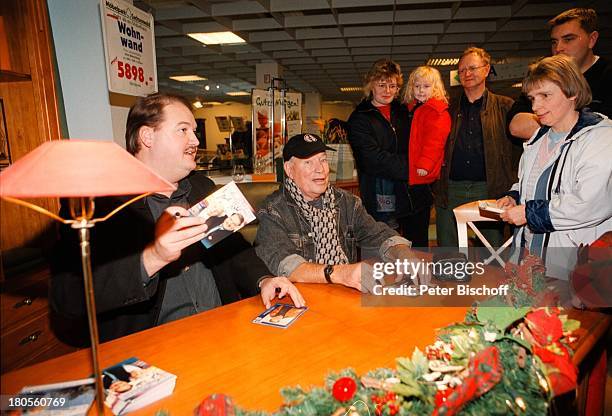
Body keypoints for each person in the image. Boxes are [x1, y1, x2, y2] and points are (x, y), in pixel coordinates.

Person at [51, 93, 304, 344]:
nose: (195, 140)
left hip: (224, 333)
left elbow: (234, 249)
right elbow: (68, 297)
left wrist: (264, 279)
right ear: (147, 136)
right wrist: (152, 258)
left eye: (194, 131)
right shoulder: (98, 203)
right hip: (149, 351)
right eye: (183, 130)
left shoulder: (201, 188)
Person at [255, 133, 427, 292]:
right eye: (308, 162)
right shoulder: (273, 209)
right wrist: (341, 274)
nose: (320, 169)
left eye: (323, 160)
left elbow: (378, 234)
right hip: (301, 297)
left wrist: (403, 255)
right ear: (289, 170)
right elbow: (285, 265)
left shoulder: (346, 201)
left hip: (345, 292)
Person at [498, 55, 612, 279]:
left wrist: (530, 213)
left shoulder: (600, 137)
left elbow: (589, 203)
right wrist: (515, 195)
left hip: (576, 265)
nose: (535, 106)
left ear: (572, 92)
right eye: (532, 98)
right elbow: (533, 183)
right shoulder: (538, 139)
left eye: (545, 96)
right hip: (532, 258)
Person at [433, 46, 519, 248]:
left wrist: (512, 184)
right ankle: (451, 279)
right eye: (461, 70)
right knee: (448, 247)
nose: (466, 74)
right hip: (450, 188)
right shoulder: (447, 109)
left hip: (489, 188)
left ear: (487, 69)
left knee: (492, 247)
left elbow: (518, 152)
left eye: (472, 68)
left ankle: (492, 280)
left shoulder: (506, 106)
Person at [347, 59, 432, 247]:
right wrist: (414, 167)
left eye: (392, 85)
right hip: (382, 197)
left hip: (414, 196)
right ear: (371, 86)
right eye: (382, 85)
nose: (387, 90)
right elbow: (371, 159)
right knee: (387, 252)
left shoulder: (406, 112)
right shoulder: (359, 118)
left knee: (418, 251)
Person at [508, 8, 612, 140]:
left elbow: (603, 135)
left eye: (568, 39)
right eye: (554, 42)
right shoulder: (543, 77)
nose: (558, 48)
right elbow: (516, 126)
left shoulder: (607, 77)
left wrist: (544, 121)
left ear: (592, 39)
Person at [402, 66, 451, 245]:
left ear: (435, 88)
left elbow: (435, 142)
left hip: (423, 175)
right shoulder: (414, 109)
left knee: (417, 229)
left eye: (426, 86)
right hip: (412, 176)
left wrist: (425, 164)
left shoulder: (436, 111)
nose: (421, 90)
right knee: (409, 228)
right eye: (417, 86)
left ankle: (419, 266)